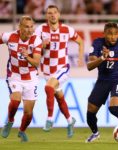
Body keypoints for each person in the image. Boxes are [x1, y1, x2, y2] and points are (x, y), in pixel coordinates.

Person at [35, 5, 84, 138]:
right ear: (46, 16)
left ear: (59, 14)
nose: (52, 15)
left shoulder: (67, 29)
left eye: (55, 13)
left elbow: (80, 41)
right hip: (46, 71)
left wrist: (80, 58)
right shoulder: (40, 30)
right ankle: (70, 120)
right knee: (59, 97)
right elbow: (33, 47)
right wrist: (41, 45)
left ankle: (50, 119)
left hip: (62, 68)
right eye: (49, 13)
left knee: (48, 88)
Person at [0, 16, 42, 142]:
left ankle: (22, 131)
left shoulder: (36, 40)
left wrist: (26, 56)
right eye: (26, 27)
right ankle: (10, 121)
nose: (30, 30)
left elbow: (36, 63)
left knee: (28, 113)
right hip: (14, 75)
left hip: (31, 78)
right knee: (15, 101)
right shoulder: (10, 36)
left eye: (31, 27)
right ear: (20, 27)